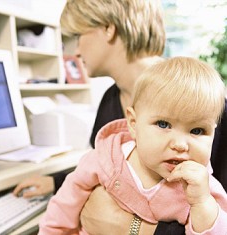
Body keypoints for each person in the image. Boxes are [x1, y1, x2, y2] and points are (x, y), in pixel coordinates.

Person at [14, 0, 227, 233]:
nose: (74, 51)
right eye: (163, 124)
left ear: (108, 28)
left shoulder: (205, 104)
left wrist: (133, 228)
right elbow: (105, 162)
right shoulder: (110, 100)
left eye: (77, 35)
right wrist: (57, 181)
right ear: (132, 121)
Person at [38, 56, 227, 235]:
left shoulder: (203, 188)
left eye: (197, 131)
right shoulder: (106, 158)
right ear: (133, 124)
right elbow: (61, 210)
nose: (180, 145)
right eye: (163, 124)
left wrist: (202, 204)